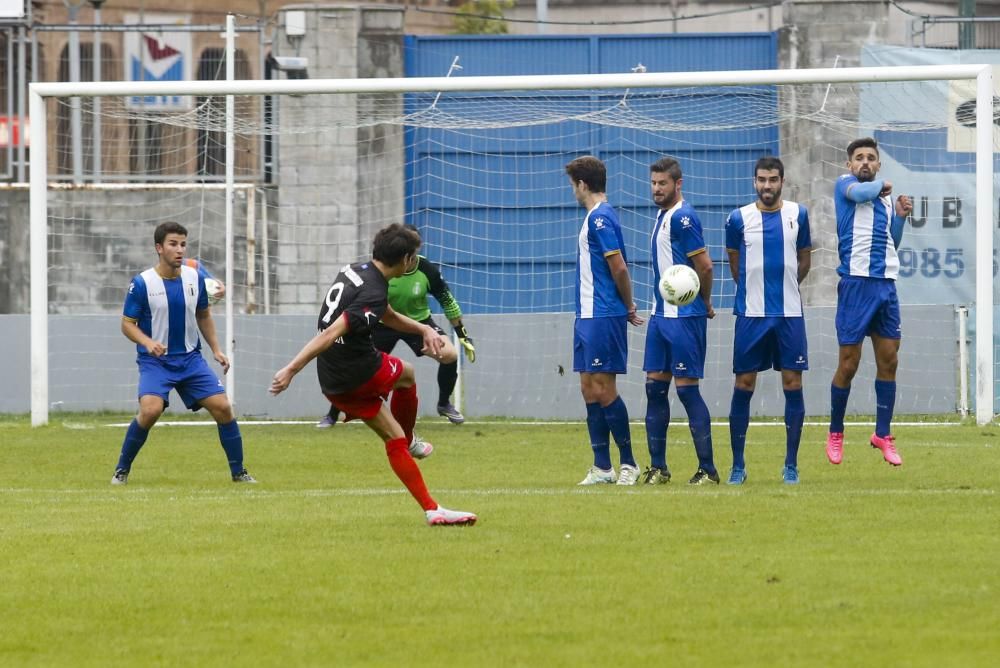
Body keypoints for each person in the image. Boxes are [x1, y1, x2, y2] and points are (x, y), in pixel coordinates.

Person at [270, 223, 477, 527]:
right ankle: (410, 441)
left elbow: (386, 315)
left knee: (391, 436)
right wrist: (291, 369)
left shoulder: (356, 270)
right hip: (357, 369)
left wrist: (421, 328)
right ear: (406, 259)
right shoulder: (374, 290)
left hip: (332, 377)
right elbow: (331, 332)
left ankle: (432, 509)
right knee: (406, 373)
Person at [111, 221, 255, 485]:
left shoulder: (194, 277)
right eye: (173, 244)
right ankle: (122, 469)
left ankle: (239, 472)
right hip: (156, 362)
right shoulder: (142, 283)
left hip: (190, 360)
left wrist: (217, 349)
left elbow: (204, 314)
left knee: (223, 407)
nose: (179, 250)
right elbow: (126, 324)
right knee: (150, 411)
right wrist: (148, 342)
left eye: (183, 244)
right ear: (159, 248)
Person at [318, 229, 475, 428]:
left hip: (419, 324)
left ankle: (444, 404)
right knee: (357, 365)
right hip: (382, 323)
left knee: (450, 355)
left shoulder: (427, 270)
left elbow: (447, 300)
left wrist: (462, 334)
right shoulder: (383, 268)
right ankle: (332, 414)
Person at [724, 156, 812, 485]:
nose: (767, 186)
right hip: (751, 315)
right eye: (761, 179)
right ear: (754, 182)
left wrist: (786, 287)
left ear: (782, 181)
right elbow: (736, 266)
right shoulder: (738, 219)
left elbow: (804, 260)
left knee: (793, 384)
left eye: (773, 179)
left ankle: (791, 465)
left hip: (789, 314)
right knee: (744, 384)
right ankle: (738, 466)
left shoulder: (798, 214)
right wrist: (755, 291)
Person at [827, 137, 913, 467]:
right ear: (850, 165)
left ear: (879, 163)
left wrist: (901, 216)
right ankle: (836, 431)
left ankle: (882, 434)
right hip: (856, 286)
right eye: (859, 158)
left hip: (886, 287)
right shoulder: (846, 186)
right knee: (849, 363)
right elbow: (863, 192)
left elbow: (892, 242)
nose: (865, 162)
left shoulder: (885, 200)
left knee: (889, 360)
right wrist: (883, 185)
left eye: (871, 158)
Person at [565, 156, 644, 486]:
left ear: (582, 185)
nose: (572, 191)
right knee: (587, 388)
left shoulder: (601, 219)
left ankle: (629, 463)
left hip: (603, 313)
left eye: (573, 185)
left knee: (605, 388)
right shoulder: (592, 219)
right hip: (586, 314)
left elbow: (620, 267)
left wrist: (628, 306)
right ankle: (602, 467)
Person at [641, 157, 719, 486]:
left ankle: (708, 470)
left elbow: (706, 265)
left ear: (678, 184)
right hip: (661, 316)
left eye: (663, 184)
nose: (657, 189)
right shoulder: (662, 215)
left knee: (687, 392)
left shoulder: (684, 217)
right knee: (654, 389)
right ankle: (659, 468)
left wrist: (704, 301)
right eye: (654, 183)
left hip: (685, 318)